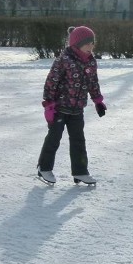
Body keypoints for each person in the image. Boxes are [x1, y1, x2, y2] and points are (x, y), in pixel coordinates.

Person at [37, 26, 106, 186]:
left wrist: (98, 101)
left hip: (77, 109)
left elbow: (92, 83)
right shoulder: (64, 60)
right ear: (77, 44)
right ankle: (44, 168)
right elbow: (51, 82)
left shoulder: (91, 62)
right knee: (53, 139)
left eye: (92, 43)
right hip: (59, 109)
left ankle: (80, 172)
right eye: (87, 43)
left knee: (78, 141)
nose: (91, 47)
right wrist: (48, 105)